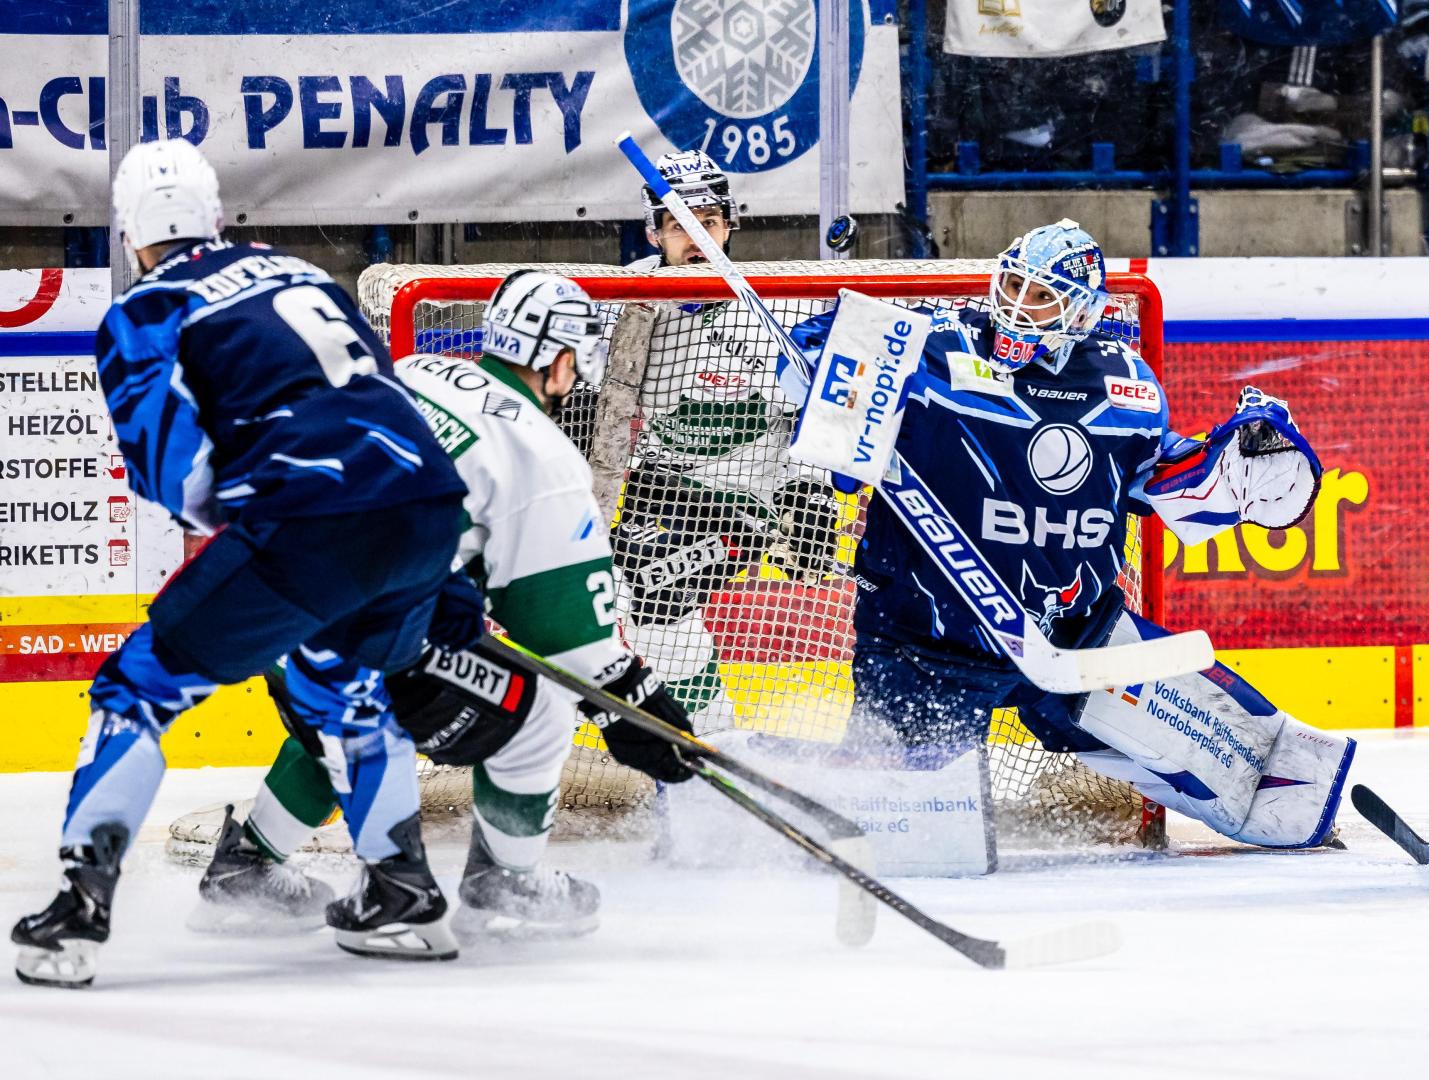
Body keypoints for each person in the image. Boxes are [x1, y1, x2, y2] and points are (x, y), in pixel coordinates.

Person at [13, 139, 471, 987]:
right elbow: (380, 394)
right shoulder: (302, 274)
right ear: (218, 218)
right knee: (345, 687)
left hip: (309, 516)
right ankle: (404, 896)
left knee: (135, 689)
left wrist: (264, 556)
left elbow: (172, 472)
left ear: (128, 234)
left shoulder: (149, 306)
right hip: (430, 504)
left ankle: (78, 912)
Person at [785, 220, 1354, 852]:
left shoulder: (1126, 386)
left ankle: (1295, 816)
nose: (1016, 306)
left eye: (1040, 296)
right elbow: (810, 348)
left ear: (1081, 310)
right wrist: (825, 372)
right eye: (1012, 285)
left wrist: (1230, 472)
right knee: (907, 835)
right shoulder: (933, 346)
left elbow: (1155, 481)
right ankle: (774, 796)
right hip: (930, 638)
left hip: (1075, 636)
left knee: (1243, 753)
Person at [191, 272, 697, 942]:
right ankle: (506, 884)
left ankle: (247, 868)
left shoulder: (413, 370)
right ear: (562, 361)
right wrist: (630, 703)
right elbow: (562, 625)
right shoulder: (537, 450)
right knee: (542, 707)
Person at [614, 150, 842, 735]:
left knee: (649, 584)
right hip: (660, 488)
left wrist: (808, 494)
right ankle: (708, 733)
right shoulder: (627, 299)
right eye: (678, 225)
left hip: (748, 500)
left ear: (729, 225)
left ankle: (714, 738)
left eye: (708, 222)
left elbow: (813, 421)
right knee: (612, 598)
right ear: (654, 233)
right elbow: (592, 403)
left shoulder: (781, 306)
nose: (696, 238)